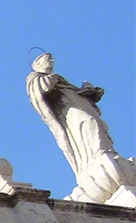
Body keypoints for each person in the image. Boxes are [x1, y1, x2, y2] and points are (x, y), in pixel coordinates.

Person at [26, 52, 136, 207]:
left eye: (52, 59)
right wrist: (54, 77)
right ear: (37, 64)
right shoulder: (35, 78)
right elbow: (42, 90)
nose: (51, 61)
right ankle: (97, 159)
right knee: (89, 123)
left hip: (78, 105)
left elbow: (75, 93)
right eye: (47, 59)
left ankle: (103, 155)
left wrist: (88, 92)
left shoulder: (60, 80)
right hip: (67, 112)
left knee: (96, 126)